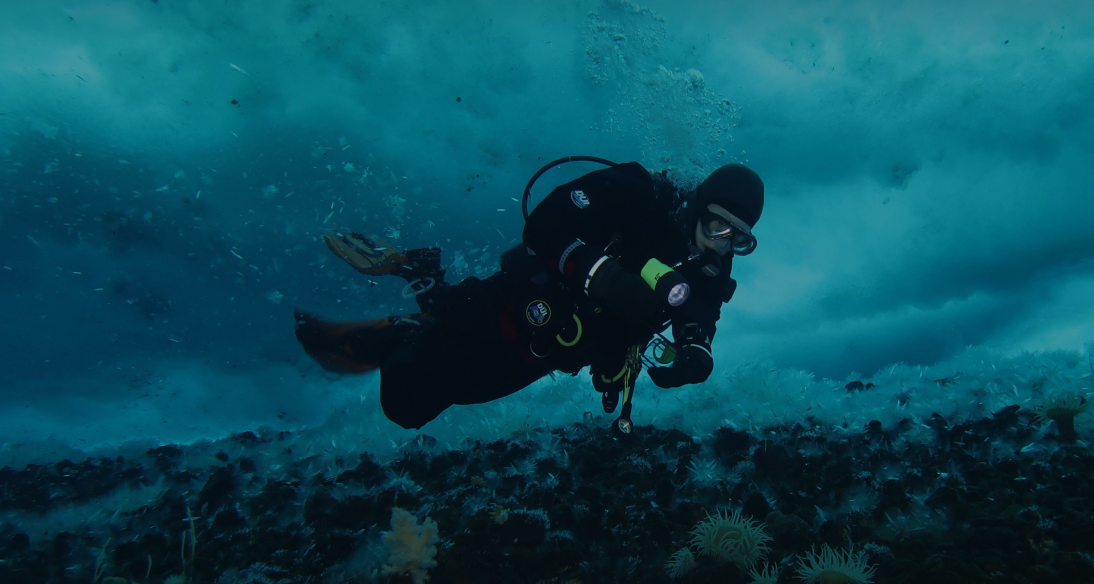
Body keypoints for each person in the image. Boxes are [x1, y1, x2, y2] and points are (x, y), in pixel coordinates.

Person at [294, 160, 764, 432]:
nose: (719, 243)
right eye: (716, 224)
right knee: (405, 402)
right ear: (697, 204)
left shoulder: (714, 260)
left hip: (553, 351)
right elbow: (543, 226)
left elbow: (699, 310)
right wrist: (604, 278)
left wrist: (696, 354)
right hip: (515, 305)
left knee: (440, 400)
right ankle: (413, 304)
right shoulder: (640, 195)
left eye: (737, 238)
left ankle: (428, 289)